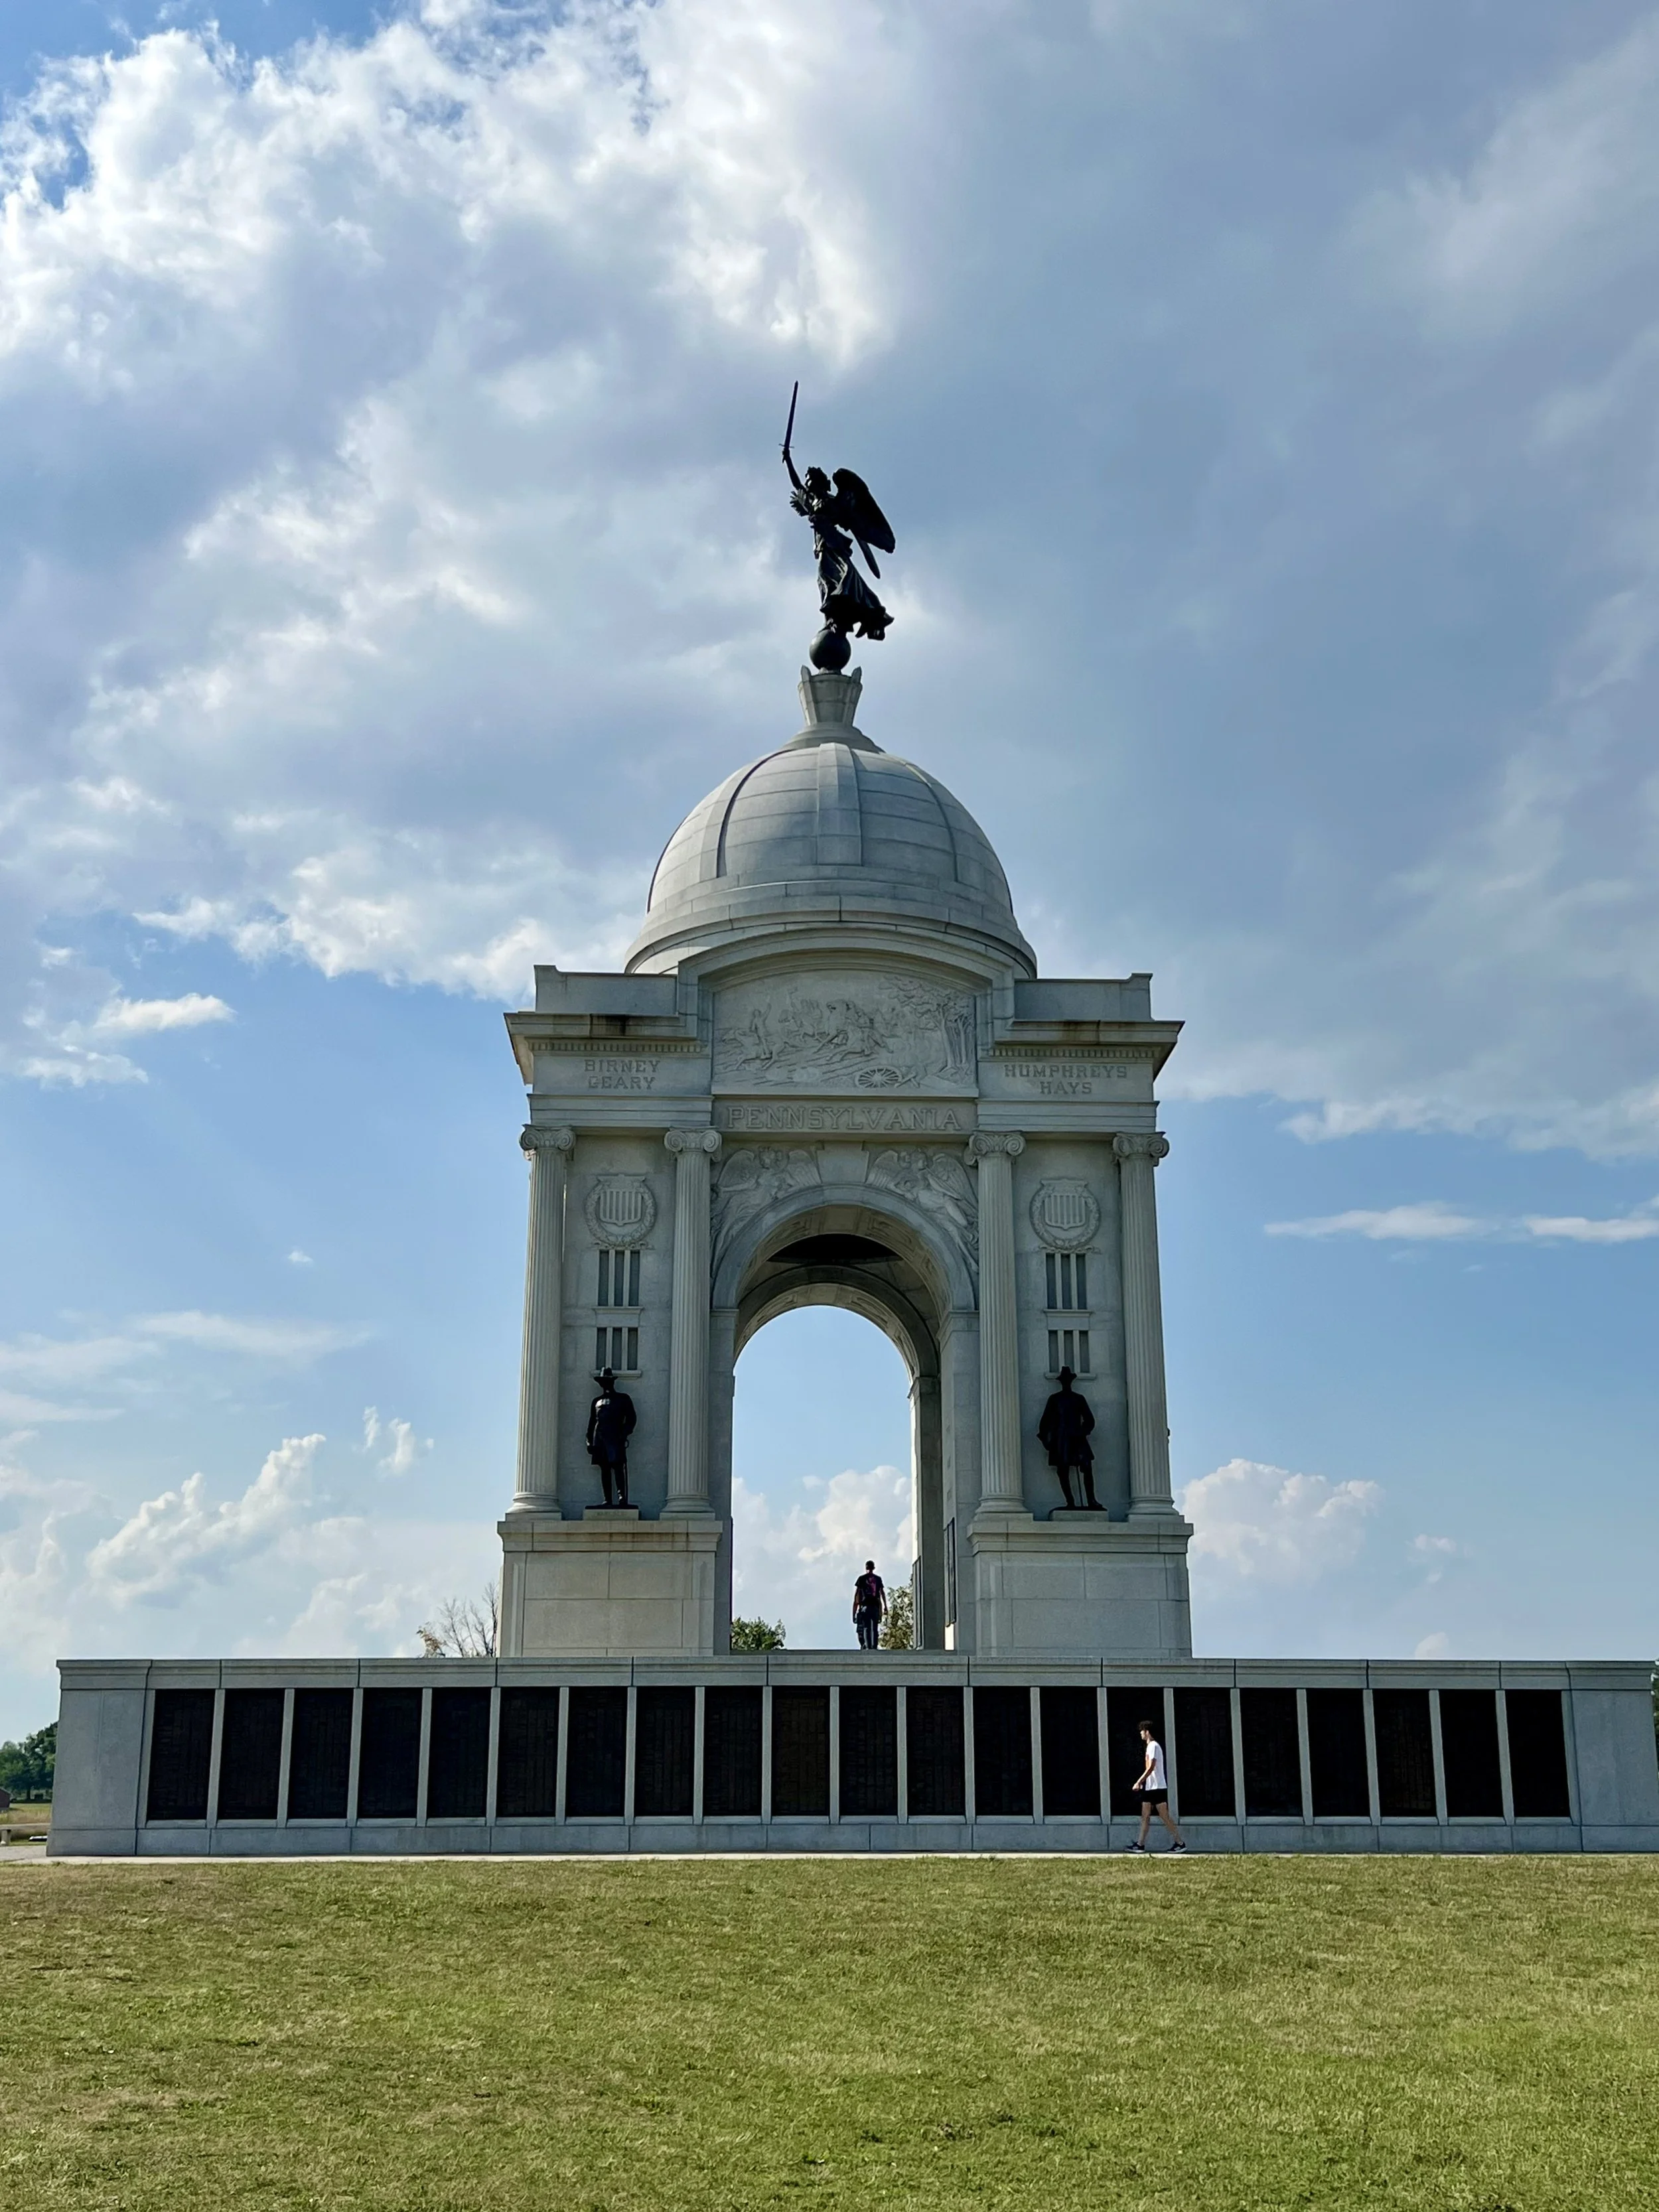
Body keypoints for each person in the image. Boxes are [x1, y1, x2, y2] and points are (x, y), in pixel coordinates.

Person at [1036, 1365, 1102, 1510]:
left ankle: (1092, 1500)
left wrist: (1082, 1431)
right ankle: (1070, 1501)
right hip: (1061, 1440)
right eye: (1064, 1380)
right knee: (1063, 1470)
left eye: (1068, 1380)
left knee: (1087, 1466)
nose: (1066, 1382)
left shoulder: (1079, 1399)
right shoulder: (1055, 1399)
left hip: (1077, 1438)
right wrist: (1046, 1440)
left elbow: (1089, 1420)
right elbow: (1045, 1421)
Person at [1126, 1720, 1185, 1852]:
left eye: (1142, 1731)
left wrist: (1139, 1782)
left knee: (1162, 1816)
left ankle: (1179, 1843)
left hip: (1156, 1787)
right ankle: (1140, 1844)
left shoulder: (1153, 1746)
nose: (1141, 1733)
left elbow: (1151, 1767)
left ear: (1147, 1732)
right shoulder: (1152, 1746)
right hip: (1152, 1787)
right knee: (1146, 1815)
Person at [585, 1367, 637, 1508]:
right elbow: (592, 1423)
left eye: (607, 1381)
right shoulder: (596, 1401)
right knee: (605, 1469)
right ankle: (607, 1499)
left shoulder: (623, 1399)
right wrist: (589, 1441)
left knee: (618, 1467)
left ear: (612, 1382)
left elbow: (631, 1419)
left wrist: (624, 1433)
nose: (605, 1384)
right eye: (603, 1382)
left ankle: (622, 1498)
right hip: (600, 1439)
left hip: (615, 1438)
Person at [852, 1560, 886, 1649]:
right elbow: (882, 1593)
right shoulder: (878, 1579)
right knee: (875, 1627)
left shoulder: (862, 1579)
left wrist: (854, 1611)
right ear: (874, 1568)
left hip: (865, 1606)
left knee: (866, 1627)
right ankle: (874, 1647)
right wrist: (885, 1607)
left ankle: (868, 1647)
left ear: (866, 1568)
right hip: (875, 1606)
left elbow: (857, 1596)